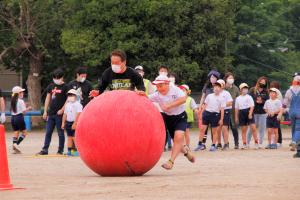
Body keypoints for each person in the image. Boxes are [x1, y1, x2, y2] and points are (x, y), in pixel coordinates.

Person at [149, 75, 195, 170]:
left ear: (167, 84)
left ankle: (171, 161)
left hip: (180, 117)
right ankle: (186, 152)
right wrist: (140, 94)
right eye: (157, 86)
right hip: (169, 119)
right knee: (177, 143)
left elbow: (183, 99)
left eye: (160, 86)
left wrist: (169, 105)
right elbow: (146, 98)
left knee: (178, 138)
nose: (158, 88)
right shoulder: (157, 94)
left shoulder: (175, 90)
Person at [37, 69, 68, 155]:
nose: (56, 79)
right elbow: (48, 98)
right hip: (51, 113)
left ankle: (60, 150)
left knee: (60, 132)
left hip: (60, 114)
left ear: (62, 77)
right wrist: (45, 111)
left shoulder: (66, 87)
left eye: (58, 78)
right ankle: (45, 149)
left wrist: (62, 109)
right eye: (55, 78)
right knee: (48, 132)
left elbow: (68, 99)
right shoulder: (51, 86)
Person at [195, 69, 221, 151]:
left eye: (214, 77)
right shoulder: (206, 86)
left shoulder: (219, 86)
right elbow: (203, 97)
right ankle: (202, 144)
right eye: (211, 77)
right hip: (206, 109)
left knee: (214, 129)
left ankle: (214, 145)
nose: (212, 78)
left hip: (215, 110)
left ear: (217, 78)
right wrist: (200, 108)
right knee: (203, 128)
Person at [197, 81, 225, 152]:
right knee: (202, 129)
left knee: (214, 131)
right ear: (213, 88)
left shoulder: (222, 98)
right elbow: (205, 105)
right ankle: (200, 144)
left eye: (218, 87)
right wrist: (201, 113)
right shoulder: (209, 96)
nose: (216, 88)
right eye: (215, 87)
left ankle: (213, 145)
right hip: (207, 113)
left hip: (215, 115)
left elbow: (222, 109)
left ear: (220, 89)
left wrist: (221, 119)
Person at [235, 83, 259, 149]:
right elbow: (236, 109)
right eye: (243, 88)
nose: (245, 90)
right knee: (243, 130)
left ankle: (256, 142)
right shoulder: (238, 98)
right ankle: (244, 143)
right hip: (241, 113)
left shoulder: (249, 97)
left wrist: (250, 113)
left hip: (248, 111)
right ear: (240, 90)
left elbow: (252, 106)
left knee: (253, 128)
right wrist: (236, 117)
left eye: (246, 88)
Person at [247, 76, 269, 147]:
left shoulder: (266, 91)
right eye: (261, 82)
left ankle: (260, 143)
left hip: (263, 112)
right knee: (251, 128)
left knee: (262, 129)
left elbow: (268, 101)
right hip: (254, 112)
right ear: (258, 81)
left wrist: (262, 101)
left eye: (264, 82)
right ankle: (247, 142)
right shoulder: (252, 89)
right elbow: (248, 99)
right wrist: (256, 101)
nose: (262, 83)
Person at [283, 72, 300, 157]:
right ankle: (294, 141)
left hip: (291, 112)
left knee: (293, 129)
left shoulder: (289, 91)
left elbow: (285, 103)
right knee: (298, 129)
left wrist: (280, 113)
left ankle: (296, 147)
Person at [62, 89, 83, 156]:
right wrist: (63, 123)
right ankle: (69, 151)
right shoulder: (67, 105)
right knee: (69, 137)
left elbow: (79, 114)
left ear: (76, 96)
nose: (70, 96)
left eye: (72, 95)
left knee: (75, 137)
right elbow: (65, 114)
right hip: (68, 123)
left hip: (74, 123)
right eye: (69, 95)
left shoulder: (78, 104)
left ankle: (77, 151)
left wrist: (75, 123)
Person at [10, 86, 31, 154]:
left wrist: (25, 106)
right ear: (18, 93)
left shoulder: (13, 100)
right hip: (19, 118)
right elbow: (24, 111)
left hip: (13, 118)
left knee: (16, 132)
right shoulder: (21, 101)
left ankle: (14, 149)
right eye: (21, 92)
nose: (23, 93)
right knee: (24, 133)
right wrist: (28, 108)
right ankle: (16, 144)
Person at [224, 72, 240, 149]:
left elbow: (239, 99)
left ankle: (236, 143)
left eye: (232, 78)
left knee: (234, 127)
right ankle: (226, 143)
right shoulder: (223, 88)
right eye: (229, 78)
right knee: (225, 127)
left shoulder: (236, 88)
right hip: (225, 110)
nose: (231, 79)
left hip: (233, 110)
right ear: (226, 79)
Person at [216, 79, 233, 150]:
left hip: (226, 111)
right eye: (217, 85)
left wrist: (222, 105)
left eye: (220, 84)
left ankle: (226, 143)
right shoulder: (215, 94)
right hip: (217, 111)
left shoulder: (226, 93)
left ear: (223, 86)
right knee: (218, 128)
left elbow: (230, 102)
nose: (219, 86)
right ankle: (219, 143)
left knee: (224, 128)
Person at [269, 81, 283, 147]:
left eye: (273, 86)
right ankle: (274, 141)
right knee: (272, 127)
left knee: (277, 127)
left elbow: (280, 103)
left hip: (277, 112)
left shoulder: (278, 93)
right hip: (271, 112)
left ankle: (279, 141)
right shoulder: (270, 92)